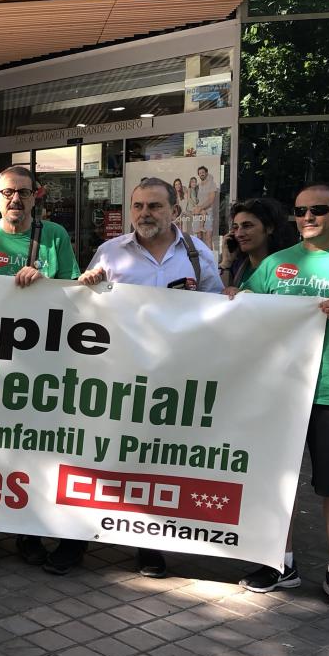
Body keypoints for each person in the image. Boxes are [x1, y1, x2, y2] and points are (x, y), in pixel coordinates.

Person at [238, 184, 329, 615]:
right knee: (278, 480)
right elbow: (245, 314)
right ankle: (283, 563)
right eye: (300, 211)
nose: (308, 217)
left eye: (318, 209)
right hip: (280, 392)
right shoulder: (277, 263)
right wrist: (233, 302)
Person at [79, 176, 223, 578]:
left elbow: (218, 312)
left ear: (174, 211)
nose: (145, 214)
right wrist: (87, 285)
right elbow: (83, 313)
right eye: (138, 206)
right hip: (118, 377)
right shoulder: (109, 252)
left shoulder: (197, 256)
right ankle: (74, 540)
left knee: (156, 460)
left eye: (155, 206)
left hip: (174, 380)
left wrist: (231, 300)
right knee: (102, 454)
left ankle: (150, 546)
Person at [0, 166, 84, 574]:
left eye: (24, 193)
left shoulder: (55, 237)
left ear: (37, 197)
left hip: (39, 365)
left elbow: (73, 291)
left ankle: (28, 533)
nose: (16, 200)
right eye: (8, 193)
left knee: (31, 451)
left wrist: (45, 281)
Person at [219, 197, 296, 295]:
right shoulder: (238, 267)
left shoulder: (285, 270)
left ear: (269, 228)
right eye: (235, 228)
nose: (239, 234)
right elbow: (219, 296)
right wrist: (226, 263)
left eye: (247, 226)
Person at [192, 164, 219, 244]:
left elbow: (211, 200)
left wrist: (200, 208)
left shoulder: (212, 184)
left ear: (206, 173)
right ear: (198, 175)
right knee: (198, 237)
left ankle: (209, 256)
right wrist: (195, 209)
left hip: (208, 213)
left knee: (208, 237)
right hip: (197, 213)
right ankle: (200, 256)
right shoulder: (198, 186)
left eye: (203, 172)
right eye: (200, 173)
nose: (201, 174)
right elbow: (194, 199)